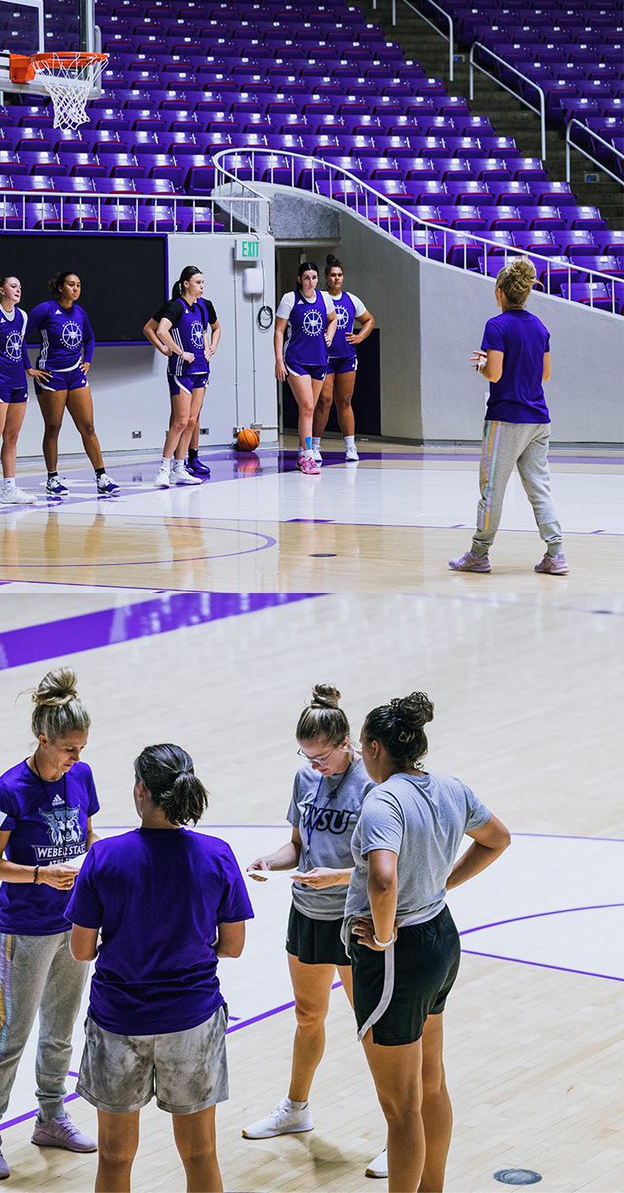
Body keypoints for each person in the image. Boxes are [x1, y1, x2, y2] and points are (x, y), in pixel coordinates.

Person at [67, 743, 254, 1193]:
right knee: (200, 1154)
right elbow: (233, 946)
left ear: (140, 791)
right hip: (192, 1020)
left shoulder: (105, 857)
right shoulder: (217, 854)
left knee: (113, 1158)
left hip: (118, 1021)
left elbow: (80, 950)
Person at [345, 692, 511, 1193]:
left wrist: (382, 932)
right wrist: (445, 884)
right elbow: (496, 838)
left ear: (375, 747)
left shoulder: (384, 800)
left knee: (401, 1108)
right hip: (441, 939)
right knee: (431, 1083)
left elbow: (382, 879)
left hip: (400, 953)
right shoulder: (450, 787)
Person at [244, 685, 386, 1181]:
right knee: (308, 1015)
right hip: (306, 913)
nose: (315, 765)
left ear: (347, 743)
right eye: (307, 757)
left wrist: (336, 877)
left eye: (322, 756)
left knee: (372, 1025)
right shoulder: (305, 779)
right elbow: (298, 847)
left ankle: (398, 1131)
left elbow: (384, 865)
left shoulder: (372, 786)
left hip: (353, 918)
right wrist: (271, 860)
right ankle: (296, 1107)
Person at [0, 668, 100, 1181]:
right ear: (43, 738)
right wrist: (41, 875)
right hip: (24, 929)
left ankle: (51, 1116)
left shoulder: (82, 778)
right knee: (12, 1034)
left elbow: (89, 835)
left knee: (61, 1031)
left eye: (82, 748)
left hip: (72, 926)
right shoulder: (9, 790)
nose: (77, 757)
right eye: (69, 748)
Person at [450, 257, 567, 575]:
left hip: (506, 419)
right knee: (539, 487)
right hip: (539, 419)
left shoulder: (496, 326)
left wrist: (481, 365)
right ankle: (556, 553)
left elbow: (495, 374)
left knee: (492, 489)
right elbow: (545, 375)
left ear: (500, 292)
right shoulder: (540, 327)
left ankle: (479, 553)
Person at [29, 272, 120, 497]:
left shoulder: (80, 312)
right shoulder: (45, 310)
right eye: (71, 284)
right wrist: (28, 368)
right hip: (52, 376)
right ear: (60, 288)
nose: (76, 289)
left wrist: (87, 360)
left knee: (88, 427)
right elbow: (20, 336)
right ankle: (52, 478)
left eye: (79, 285)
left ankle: (101, 476)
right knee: (53, 427)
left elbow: (89, 338)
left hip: (75, 375)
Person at [0, 275, 45, 509]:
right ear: (1, 290)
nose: (18, 290)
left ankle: (9, 489)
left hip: (17, 382)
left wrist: (28, 368)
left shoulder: (22, 316)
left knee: (12, 437)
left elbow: (20, 345)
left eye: (20, 287)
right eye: (13, 286)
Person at [153, 266, 221, 487]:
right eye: (198, 282)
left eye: (203, 282)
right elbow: (160, 331)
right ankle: (163, 468)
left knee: (192, 421)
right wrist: (176, 351)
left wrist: (212, 347)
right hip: (181, 370)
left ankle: (179, 468)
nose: (202, 286)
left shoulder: (203, 306)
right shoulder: (175, 306)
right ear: (186, 284)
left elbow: (216, 328)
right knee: (180, 421)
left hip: (202, 370)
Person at [274, 261, 337, 475]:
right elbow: (279, 332)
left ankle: (303, 451)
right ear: (300, 279)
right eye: (307, 278)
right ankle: (308, 456)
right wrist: (278, 361)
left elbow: (333, 319)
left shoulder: (325, 298)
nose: (311, 282)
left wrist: (329, 334)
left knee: (309, 408)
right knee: (308, 406)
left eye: (314, 277)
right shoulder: (290, 299)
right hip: (296, 360)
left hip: (319, 359)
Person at [313, 255, 375, 465]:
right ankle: (315, 446)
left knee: (345, 402)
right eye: (332, 275)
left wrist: (360, 336)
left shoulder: (351, 299)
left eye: (339, 275)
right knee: (324, 401)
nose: (336, 279)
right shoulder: (320, 297)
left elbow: (369, 320)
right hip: (326, 357)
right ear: (326, 277)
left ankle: (350, 446)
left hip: (347, 356)